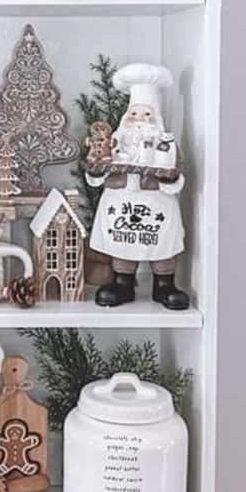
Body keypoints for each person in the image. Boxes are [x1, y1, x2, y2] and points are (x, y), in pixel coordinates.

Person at [85, 62, 189, 310]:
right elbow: (97, 176)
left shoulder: (166, 144)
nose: (139, 120)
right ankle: (123, 282)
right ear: (125, 118)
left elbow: (175, 173)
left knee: (161, 243)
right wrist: (96, 167)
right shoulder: (113, 144)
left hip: (156, 206)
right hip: (121, 205)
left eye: (146, 115)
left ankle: (164, 284)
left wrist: (168, 177)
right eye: (134, 114)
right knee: (123, 244)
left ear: (156, 119)